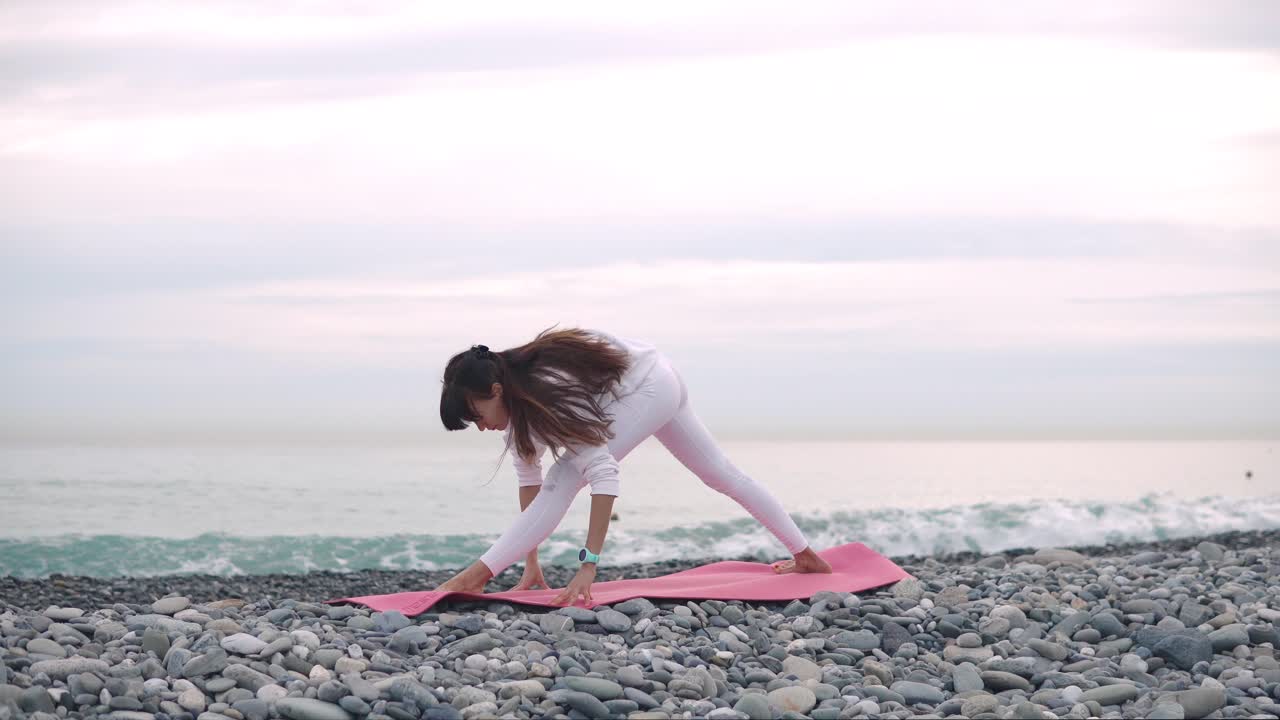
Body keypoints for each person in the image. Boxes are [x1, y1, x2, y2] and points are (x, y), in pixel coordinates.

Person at [435, 325, 832, 605]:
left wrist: (588, 567)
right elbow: (528, 478)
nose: (483, 426)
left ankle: (474, 577)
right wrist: (531, 565)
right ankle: (806, 554)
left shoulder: (548, 391)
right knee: (720, 472)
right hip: (659, 374)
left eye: (478, 414)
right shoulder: (519, 406)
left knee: (569, 473)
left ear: (497, 391)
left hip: (650, 385)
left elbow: (602, 474)